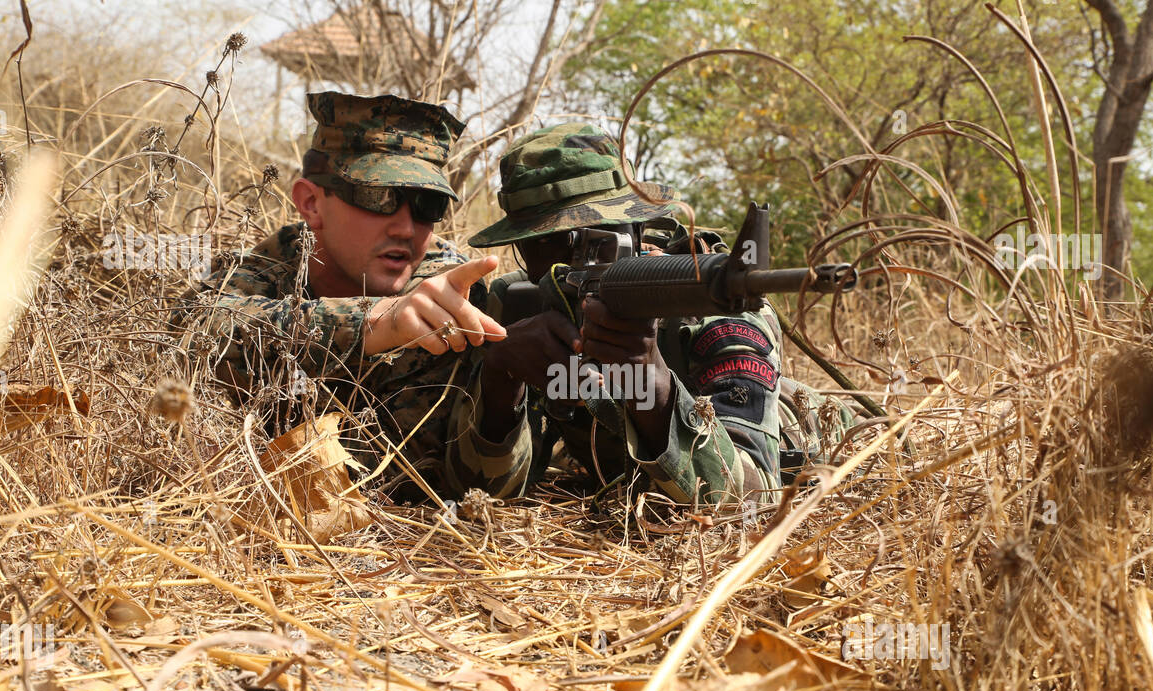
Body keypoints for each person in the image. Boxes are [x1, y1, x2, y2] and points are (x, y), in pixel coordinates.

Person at [446, 122, 852, 506]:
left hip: (823, 443)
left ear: (635, 229)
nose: (564, 267)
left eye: (590, 240)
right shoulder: (517, 304)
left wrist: (651, 383)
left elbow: (751, 496)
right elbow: (479, 495)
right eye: (539, 244)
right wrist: (500, 382)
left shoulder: (712, 313)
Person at [174, 92, 506, 500]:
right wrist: (366, 323)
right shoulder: (279, 261)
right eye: (377, 197)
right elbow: (191, 324)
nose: (405, 227)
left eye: (426, 204)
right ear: (311, 204)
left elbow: (418, 476)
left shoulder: (451, 293)